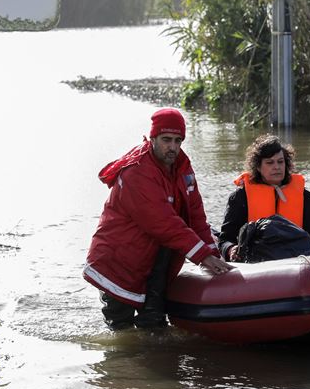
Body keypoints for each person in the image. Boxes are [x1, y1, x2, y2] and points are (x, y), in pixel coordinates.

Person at [84, 108, 233, 329]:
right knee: (121, 332)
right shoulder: (137, 172)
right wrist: (202, 256)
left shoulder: (183, 167)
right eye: (166, 140)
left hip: (153, 260)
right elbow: (164, 223)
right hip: (118, 261)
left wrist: (214, 255)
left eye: (177, 140)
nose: (172, 147)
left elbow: (196, 216)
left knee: (154, 326)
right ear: (152, 138)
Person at [218, 134, 310, 261]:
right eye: (270, 162)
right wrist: (231, 249)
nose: (277, 167)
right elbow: (224, 240)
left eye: (280, 162)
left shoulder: (307, 198)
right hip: (254, 266)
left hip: (297, 264)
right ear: (258, 167)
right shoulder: (240, 198)